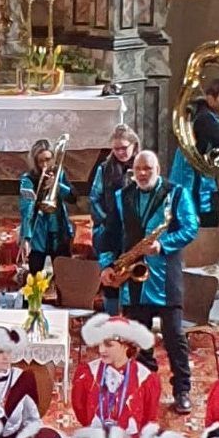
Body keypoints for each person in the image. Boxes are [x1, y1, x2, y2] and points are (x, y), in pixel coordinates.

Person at [99, 149, 198, 414]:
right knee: (137, 338)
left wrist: (163, 244)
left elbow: (190, 227)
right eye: (138, 169)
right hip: (135, 278)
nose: (142, 174)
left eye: (148, 169)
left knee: (174, 337)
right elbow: (109, 234)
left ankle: (182, 390)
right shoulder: (123, 196)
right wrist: (107, 265)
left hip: (166, 279)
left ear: (158, 170)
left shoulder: (176, 194)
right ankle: (142, 387)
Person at [71, 313, 160, 438]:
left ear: (126, 346)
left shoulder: (146, 379)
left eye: (109, 345)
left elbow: (148, 417)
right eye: (100, 344)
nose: (101, 350)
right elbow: (80, 409)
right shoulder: (87, 374)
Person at [168, 77, 219, 228]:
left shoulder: (204, 111)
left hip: (197, 170)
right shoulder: (205, 118)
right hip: (195, 174)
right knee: (202, 217)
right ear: (210, 98)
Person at [90, 125, 140, 316]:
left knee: (134, 276)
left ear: (134, 146)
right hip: (109, 229)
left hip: (135, 231)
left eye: (124, 148)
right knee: (111, 275)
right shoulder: (104, 169)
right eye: (116, 149)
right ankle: (111, 315)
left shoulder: (142, 165)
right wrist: (107, 220)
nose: (120, 152)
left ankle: (134, 316)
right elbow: (95, 198)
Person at [18, 139, 75, 279]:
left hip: (59, 232)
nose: (45, 165)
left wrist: (58, 186)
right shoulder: (28, 179)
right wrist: (26, 238)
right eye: (40, 161)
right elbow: (26, 210)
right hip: (38, 233)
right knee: (34, 279)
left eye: (48, 160)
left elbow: (73, 198)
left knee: (64, 277)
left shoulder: (58, 173)